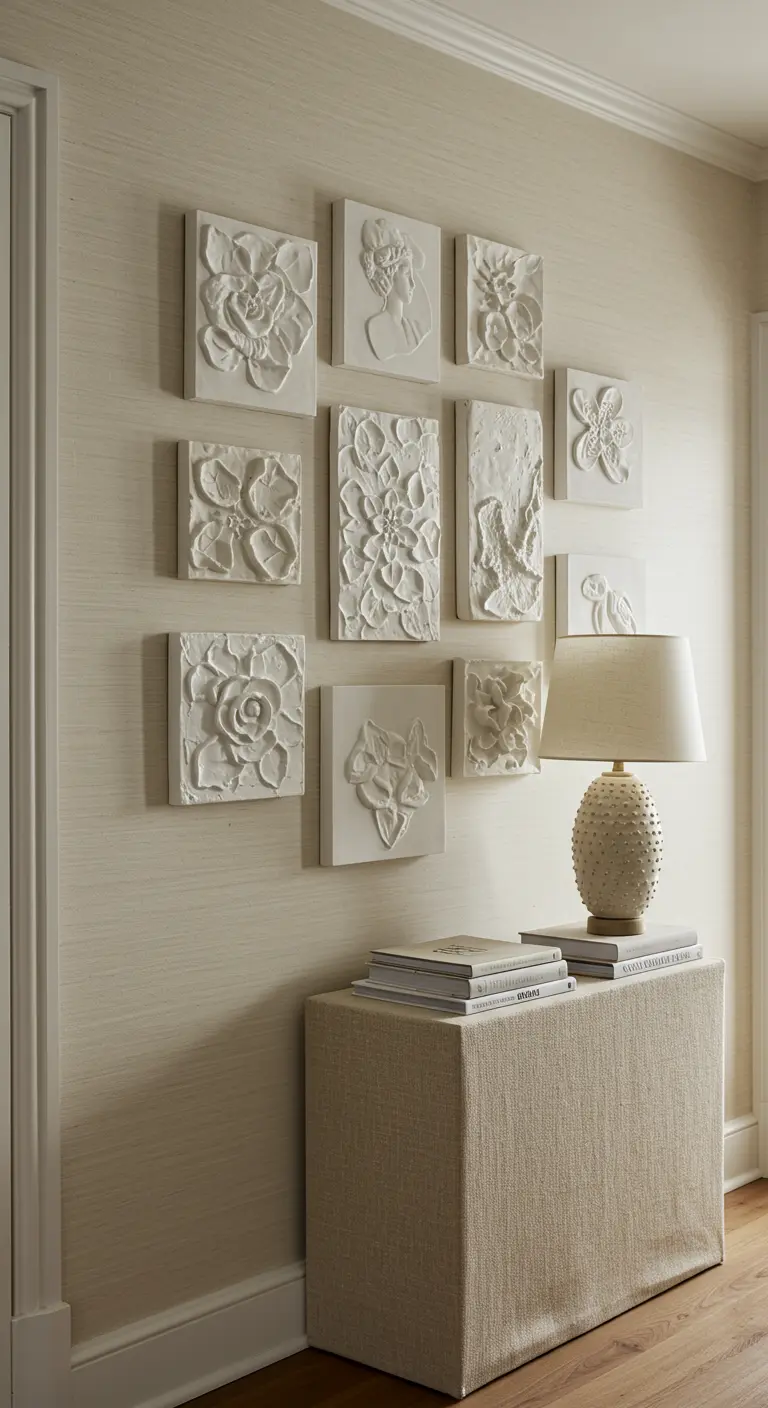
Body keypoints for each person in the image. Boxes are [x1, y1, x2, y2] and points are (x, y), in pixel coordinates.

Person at [359, 217, 431, 361]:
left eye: (411, 275)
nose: (412, 283)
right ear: (389, 275)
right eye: (406, 274)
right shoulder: (376, 327)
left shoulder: (414, 328)